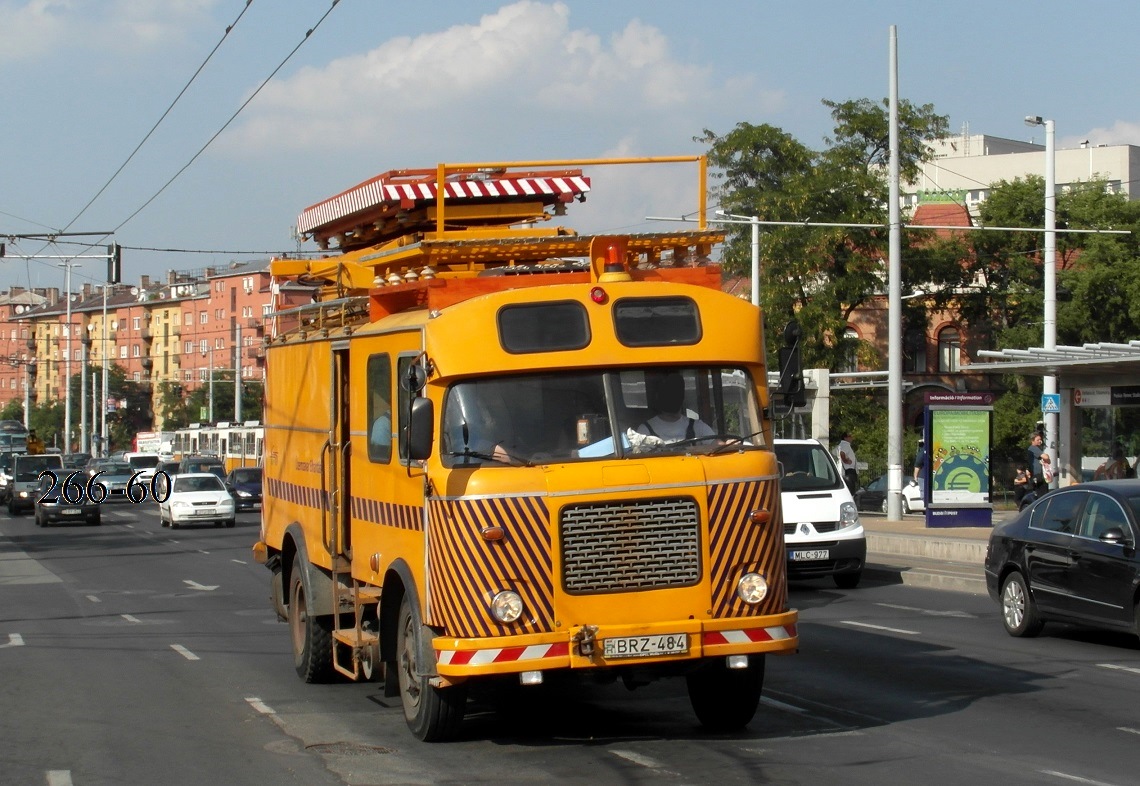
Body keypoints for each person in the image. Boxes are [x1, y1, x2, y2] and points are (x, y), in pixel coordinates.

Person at [635, 371, 714, 444]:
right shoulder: (645, 431)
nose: (673, 397)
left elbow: (717, 445)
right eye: (668, 393)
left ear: (683, 396)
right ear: (658, 396)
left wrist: (725, 445)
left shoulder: (697, 426)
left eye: (677, 393)